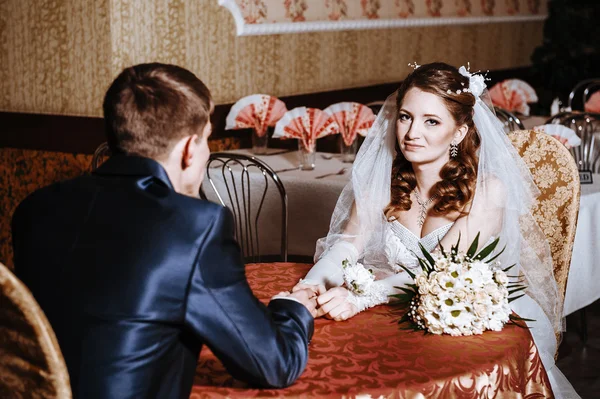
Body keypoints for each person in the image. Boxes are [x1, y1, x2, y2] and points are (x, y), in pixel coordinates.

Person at [12, 63, 317, 399]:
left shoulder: (34, 208)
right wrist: (292, 308)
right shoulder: (196, 225)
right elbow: (274, 364)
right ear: (189, 149)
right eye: (206, 140)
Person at [292, 62, 579, 398]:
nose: (412, 133)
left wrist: (363, 296)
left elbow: (439, 271)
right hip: (398, 317)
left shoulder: (487, 191)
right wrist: (310, 286)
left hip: (466, 323)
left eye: (431, 121)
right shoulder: (382, 184)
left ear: (458, 132)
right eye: (405, 117)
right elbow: (346, 246)